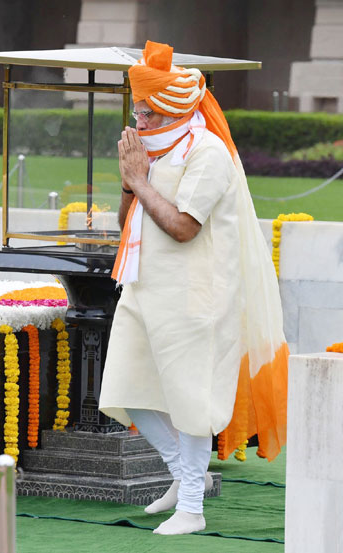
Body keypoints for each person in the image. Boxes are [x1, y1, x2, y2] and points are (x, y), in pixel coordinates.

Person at [98, 41, 289, 535]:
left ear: (175, 109)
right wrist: (129, 183)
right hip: (142, 287)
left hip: (195, 297)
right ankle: (186, 475)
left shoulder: (208, 153)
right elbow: (126, 224)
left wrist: (139, 180)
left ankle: (191, 508)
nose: (140, 121)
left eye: (148, 112)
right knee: (126, 388)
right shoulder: (152, 150)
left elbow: (184, 227)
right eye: (137, 111)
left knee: (191, 402)